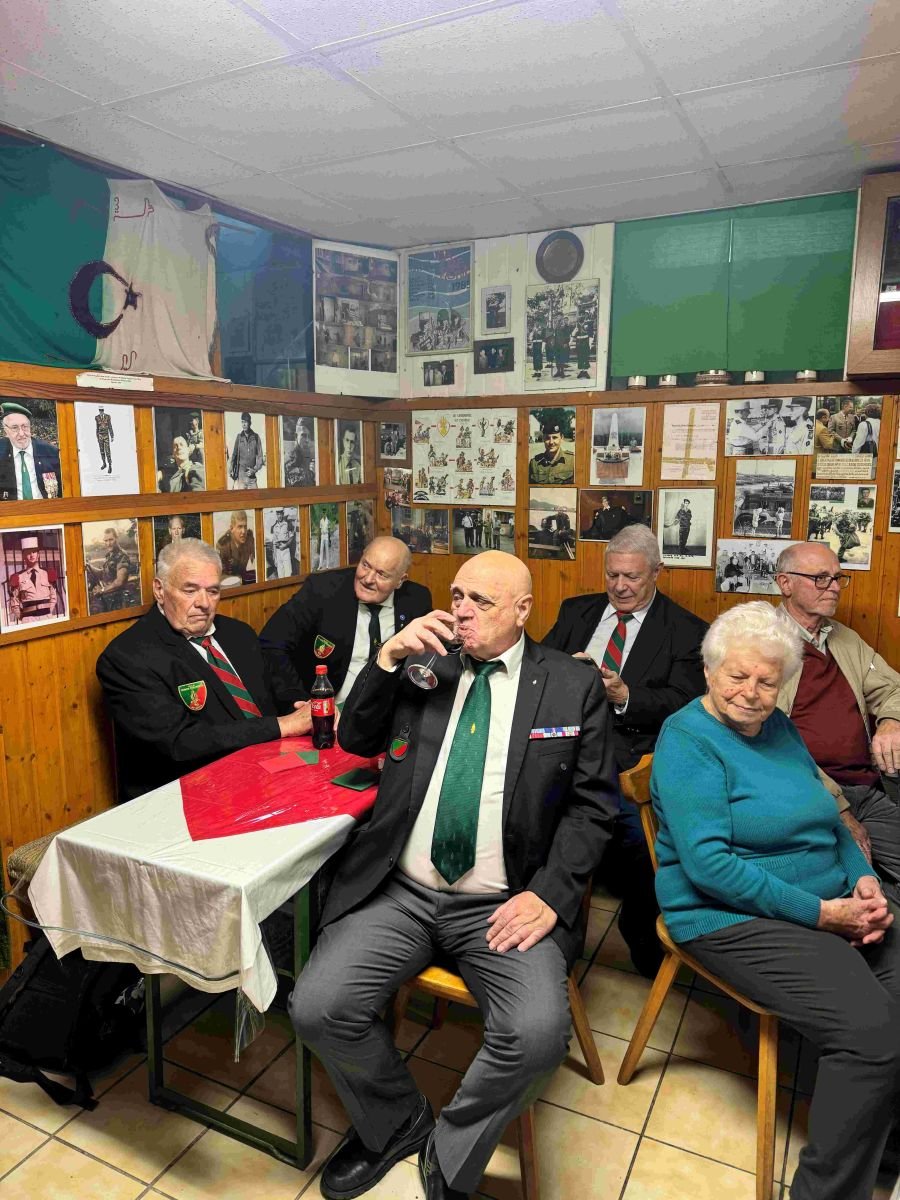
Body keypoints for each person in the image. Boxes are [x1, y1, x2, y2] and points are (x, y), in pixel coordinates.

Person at [289, 551, 618, 1200]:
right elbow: (356, 740)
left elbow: (593, 806)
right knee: (318, 1007)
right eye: (457, 596)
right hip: (402, 890)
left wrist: (551, 894)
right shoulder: (425, 665)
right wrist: (387, 659)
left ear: (523, 610)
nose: (461, 612)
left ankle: (449, 1152)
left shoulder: (569, 684)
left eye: (481, 602)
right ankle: (397, 1125)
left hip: (503, 901)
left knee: (535, 1037)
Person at [651, 601, 900, 1200]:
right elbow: (710, 868)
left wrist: (862, 880)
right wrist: (824, 915)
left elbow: (830, 819)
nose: (751, 693)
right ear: (709, 671)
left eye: (767, 681)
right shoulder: (688, 740)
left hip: (826, 896)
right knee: (871, 1034)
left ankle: (881, 1142)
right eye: (737, 676)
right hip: (724, 914)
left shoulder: (779, 728)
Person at [542, 523, 708, 976]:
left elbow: (684, 704)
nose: (619, 586)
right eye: (612, 575)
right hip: (559, 745)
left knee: (645, 845)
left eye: (632, 577)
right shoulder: (577, 611)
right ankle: (542, 931)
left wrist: (624, 695)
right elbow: (538, 665)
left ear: (657, 572)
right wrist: (565, 672)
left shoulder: (686, 630)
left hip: (627, 758)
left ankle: (643, 939)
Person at [96, 538, 310, 802]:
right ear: (159, 590)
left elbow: (278, 691)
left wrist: (303, 709)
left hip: (272, 773)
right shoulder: (126, 657)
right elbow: (180, 742)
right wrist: (282, 726)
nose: (204, 603)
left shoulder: (239, 634)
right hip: (190, 796)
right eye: (190, 590)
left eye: (213, 591)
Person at [774, 541, 900, 887]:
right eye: (820, 578)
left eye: (837, 578)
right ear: (785, 583)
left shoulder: (843, 638)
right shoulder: (762, 643)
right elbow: (768, 744)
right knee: (846, 886)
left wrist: (891, 721)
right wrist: (838, 808)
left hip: (865, 790)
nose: (833, 587)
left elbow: (893, 688)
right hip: (806, 795)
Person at [260, 535, 432, 711]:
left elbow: (424, 660)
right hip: (328, 711)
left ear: (400, 580)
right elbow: (272, 641)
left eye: (381, 574)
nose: (368, 579)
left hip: (387, 712)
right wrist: (297, 699)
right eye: (365, 565)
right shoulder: (323, 589)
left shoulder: (416, 601)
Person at [0, 401, 63, 500]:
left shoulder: (50, 452)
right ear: (6, 430)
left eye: (25, 427)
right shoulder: (1, 452)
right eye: (15, 428)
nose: (21, 434)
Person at [7, 534, 60, 624]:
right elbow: (14, 602)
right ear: (23, 556)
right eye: (28, 553)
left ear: (38, 555)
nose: (31, 555)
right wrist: (24, 618)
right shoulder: (18, 577)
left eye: (34, 552)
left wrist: (47, 611)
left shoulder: (47, 574)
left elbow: (53, 596)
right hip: (28, 619)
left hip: (46, 617)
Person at [86, 527, 133, 614]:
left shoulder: (122, 556)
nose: (108, 543)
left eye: (111, 540)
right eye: (106, 540)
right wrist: (89, 566)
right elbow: (104, 573)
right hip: (107, 598)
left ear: (116, 538)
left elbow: (120, 582)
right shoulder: (110, 555)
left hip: (117, 600)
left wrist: (102, 590)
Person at [528, 420, 574, 484]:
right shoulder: (534, 464)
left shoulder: (572, 461)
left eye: (555, 437)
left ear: (561, 438)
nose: (551, 442)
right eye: (547, 438)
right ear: (543, 439)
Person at [216, 510, 255, 582]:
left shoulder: (249, 539)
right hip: (228, 583)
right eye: (240, 527)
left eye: (245, 527)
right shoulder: (223, 546)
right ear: (231, 528)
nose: (243, 531)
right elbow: (219, 575)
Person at [229, 412, 264, 488]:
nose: (244, 424)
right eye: (242, 422)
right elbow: (234, 455)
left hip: (252, 476)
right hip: (241, 476)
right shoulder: (239, 437)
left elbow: (260, 457)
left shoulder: (256, 437)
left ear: (250, 423)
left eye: (246, 422)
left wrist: (254, 470)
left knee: (256, 495)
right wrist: (231, 468)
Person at [285, 420, 316, 486]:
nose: (307, 440)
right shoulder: (290, 460)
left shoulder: (310, 458)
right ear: (296, 436)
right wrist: (312, 474)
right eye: (303, 436)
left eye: (309, 436)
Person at [269, 509, 296, 578]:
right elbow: (274, 542)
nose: (279, 516)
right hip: (278, 551)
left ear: (283, 514)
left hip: (285, 550)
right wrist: (274, 556)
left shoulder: (287, 524)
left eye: (280, 514)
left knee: (288, 572)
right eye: (278, 514)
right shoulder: (275, 527)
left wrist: (285, 545)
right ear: (276, 515)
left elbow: (291, 537)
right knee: (280, 573)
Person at [95, 406, 114, 473]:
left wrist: (112, 436)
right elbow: (97, 427)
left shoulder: (107, 416)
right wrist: (97, 437)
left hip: (106, 436)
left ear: (103, 410)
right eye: (100, 410)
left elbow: (110, 426)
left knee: (107, 451)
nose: (101, 412)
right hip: (100, 436)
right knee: (102, 451)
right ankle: (104, 463)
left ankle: (110, 465)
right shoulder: (97, 417)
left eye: (102, 410)